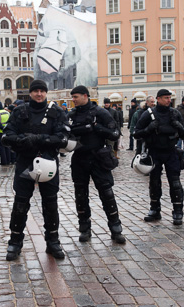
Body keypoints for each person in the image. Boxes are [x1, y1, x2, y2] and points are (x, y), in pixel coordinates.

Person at [1, 79, 69, 261]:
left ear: (46, 93)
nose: (39, 94)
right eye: (36, 91)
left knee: (50, 202)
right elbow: (7, 135)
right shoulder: (19, 111)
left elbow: (63, 138)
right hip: (25, 162)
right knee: (21, 203)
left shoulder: (56, 112)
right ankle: (15, 242)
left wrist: (39, 139)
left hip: (48, 163)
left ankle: (53, 241)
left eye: (42, 91)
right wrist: (22, 140)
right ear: (30, 93)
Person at [67, 86, 126, 243]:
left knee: (107, 194)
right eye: (72, 97)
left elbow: (115, 133)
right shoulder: (72, 114)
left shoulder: (100, 112)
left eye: (76, 96)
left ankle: (116, 229)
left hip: (99, 158)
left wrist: (96, 128)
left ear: (85, 96)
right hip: (79, 159)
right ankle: (85, 229)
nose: (73, 100)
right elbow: (65, 134)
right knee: (80, 195)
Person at [134, 89, 184, 225]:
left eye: (169, 98)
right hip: (154, 152)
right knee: (154, 182)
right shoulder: (149, 113)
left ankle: (177, 211)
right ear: (158, 99)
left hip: (171, 151)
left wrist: (179, 127)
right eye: (165, 98)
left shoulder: (175, 113)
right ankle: (154, 209)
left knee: (175, 183)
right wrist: (149, 129)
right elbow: (136, 133)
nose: (169, 100)